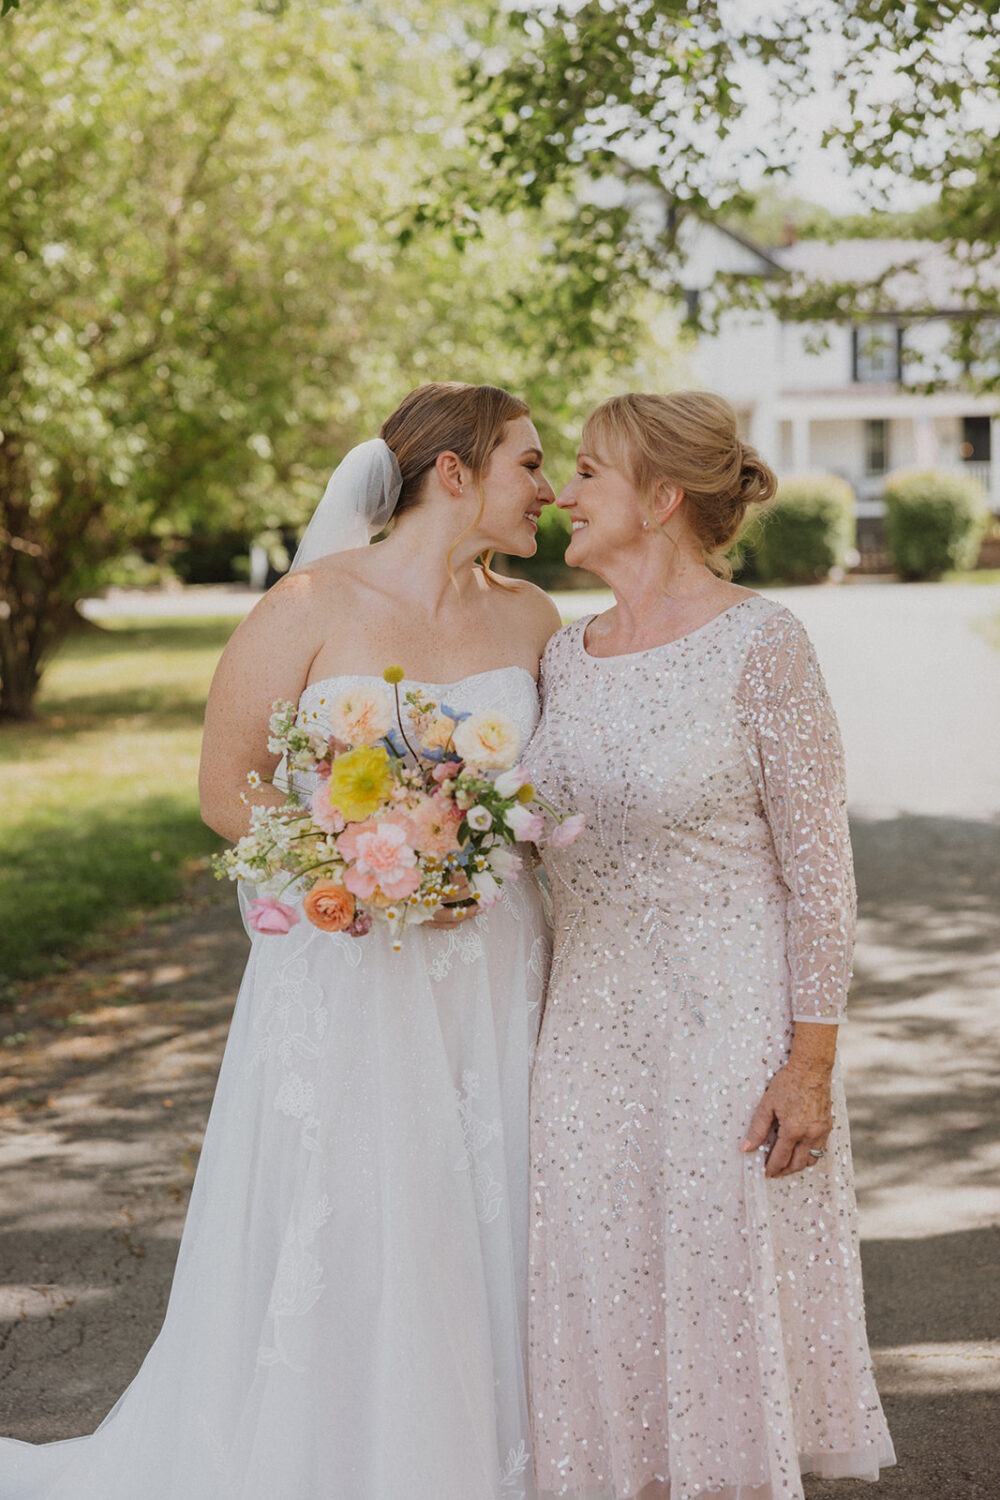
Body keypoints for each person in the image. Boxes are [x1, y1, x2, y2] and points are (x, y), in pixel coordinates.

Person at [0, 382, 560, 1500]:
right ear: (454, 473)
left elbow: (548, 794)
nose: (549, 488)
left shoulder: (533, 618)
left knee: (491, 1197)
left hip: (495, 958)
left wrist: (486, 850)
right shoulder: (305, 606)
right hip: (348, 960)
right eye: (530, 463)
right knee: (349, 1200)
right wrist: (367, 865)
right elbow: (227, 789)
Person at [525, 391, 895, 1500]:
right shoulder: (563, 656)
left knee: (713, 1313)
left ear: (661, 497)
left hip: (724, 1043)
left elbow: (820, 876)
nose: (562, 493)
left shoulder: (762, 644)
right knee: (602, 1308)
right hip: (583, 1043)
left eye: (587, 472)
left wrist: (810, 1064)